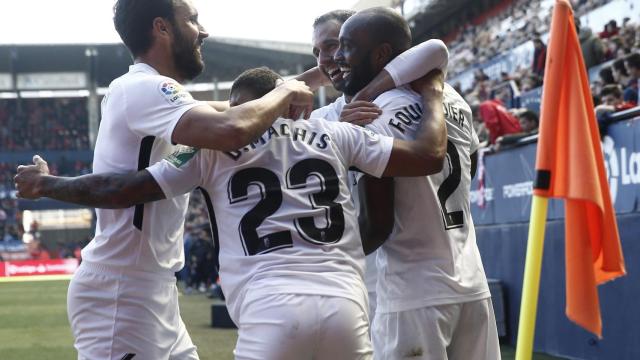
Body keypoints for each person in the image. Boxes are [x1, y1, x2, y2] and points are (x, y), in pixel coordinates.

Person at [16, 66, 447, 360]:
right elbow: (429, 156)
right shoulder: (336, 132)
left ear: (246, 106)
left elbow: (123, 188)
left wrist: (46, 186)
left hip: (269, 307)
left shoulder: (210, 151)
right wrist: (433, 94)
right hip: (347, 305)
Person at [41, 0, 314, 358]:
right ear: (162, 28)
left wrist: (311, 83)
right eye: (193, 20)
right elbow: (232, 127)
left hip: (152, 288)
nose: (203, 30)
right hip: (122, 293)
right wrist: (286, 91)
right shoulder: (144, 88)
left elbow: (239, 111)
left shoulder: (145, 92)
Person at [333, 7, 500, 359]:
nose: (337, 56)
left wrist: (325, 260)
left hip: (414, 294)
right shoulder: (451, 98)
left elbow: (377, 225)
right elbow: (470, 157)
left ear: (380, 54)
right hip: (471, 283)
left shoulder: (373, 114)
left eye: (346, 46)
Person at [309, 9, 449, 323]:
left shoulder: (375, 114)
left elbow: (378, 222)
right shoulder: (440, 98)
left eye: (336, 45)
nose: (329, 58)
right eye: (316, 52)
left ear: (373, 47)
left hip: (386, 276)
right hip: (444, 272)